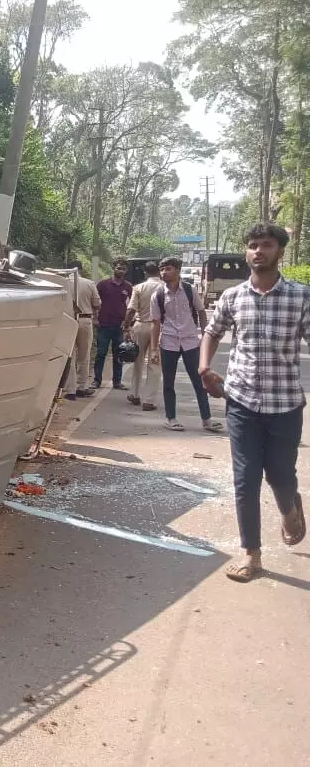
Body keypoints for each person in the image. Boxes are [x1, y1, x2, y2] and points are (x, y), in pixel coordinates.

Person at [200, 222, 309, 582]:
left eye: (265, 245)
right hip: (241, 402)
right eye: (252, 245)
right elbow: (212, 333)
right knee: (245, 479)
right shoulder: (232, 297)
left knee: (280, 475)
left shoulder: (301, 297)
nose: (257, 251)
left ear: (280, 251)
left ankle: (290, 506)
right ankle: (252, 555)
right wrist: (204, 368)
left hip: (285, 405)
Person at [150, 257, 222, 433]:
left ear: (177, 270)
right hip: (168, 342)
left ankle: (207, 420)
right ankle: (171, 418)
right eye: (162, 269)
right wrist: (153, 349)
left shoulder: (189, 291)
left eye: (168, 269)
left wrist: (206, 334)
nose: (164, 272)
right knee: (168, 382)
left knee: (199, 381)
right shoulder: (158, 295)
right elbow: (155, 322)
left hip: (190, 341)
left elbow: (201, 312)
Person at [123, 261, 163, 411]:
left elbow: (131, 310)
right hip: (158, 328)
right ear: (159, 272)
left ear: (145, 273)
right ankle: (149, 400)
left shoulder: (139, 287)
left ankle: (135, 394)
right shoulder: (165, 288)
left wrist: (126, 327)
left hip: (140, 326)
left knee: (137, 361)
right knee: (154, 363)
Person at [93, 257, 132, 390]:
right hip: (103, 325)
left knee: (119, 354)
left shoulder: (128, 286)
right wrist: (95, 318)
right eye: (119, 268)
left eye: (124, 269)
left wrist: (128, 324)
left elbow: (132, 305)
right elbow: (95, 303)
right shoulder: (103, 285)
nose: (121, 271)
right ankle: (96, 381)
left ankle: (117, 381)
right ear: (113, 268)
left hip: (119, 326)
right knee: (100, 353)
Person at [63, 260, 100, 399]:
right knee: (84, 355)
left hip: (67, 320)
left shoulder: (62, 283)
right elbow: (97, 303)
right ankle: (82, 386)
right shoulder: (89, 283)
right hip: (85, 320)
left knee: (69, 355)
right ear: (81, 269)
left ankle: (70, 389)